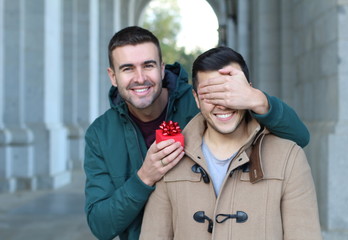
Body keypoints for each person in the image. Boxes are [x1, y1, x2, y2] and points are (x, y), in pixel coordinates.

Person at [84, 26, 311, 240]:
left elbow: (298, 138)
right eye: (127, 68)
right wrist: (145, 176)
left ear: (162, 68)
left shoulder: (204, 104)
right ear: (113, 76)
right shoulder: (100, 135)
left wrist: (257, 99)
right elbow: (101, 226)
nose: (140, 77)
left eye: (149, 65)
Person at [139, 46, 322, 240]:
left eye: (229, 91)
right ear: (196, 99)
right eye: (210, 94)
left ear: (247, 92)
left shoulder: (289, 158)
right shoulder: (170, 156)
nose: (222, 103)